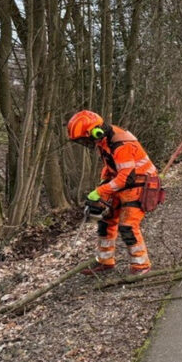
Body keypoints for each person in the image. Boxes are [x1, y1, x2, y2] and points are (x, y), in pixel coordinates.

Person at [67, 110, 158, 275]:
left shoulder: (120, 144)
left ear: (95, 131)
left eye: (85, 139)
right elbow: (111, 167)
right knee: (106, 221)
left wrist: (100, 190)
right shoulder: (104, 141)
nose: (86, 143)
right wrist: (103, 185)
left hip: (141, 184)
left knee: (128, 225)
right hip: (124, 184)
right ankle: (105, 261)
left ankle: (141, 266)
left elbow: (126, 177)